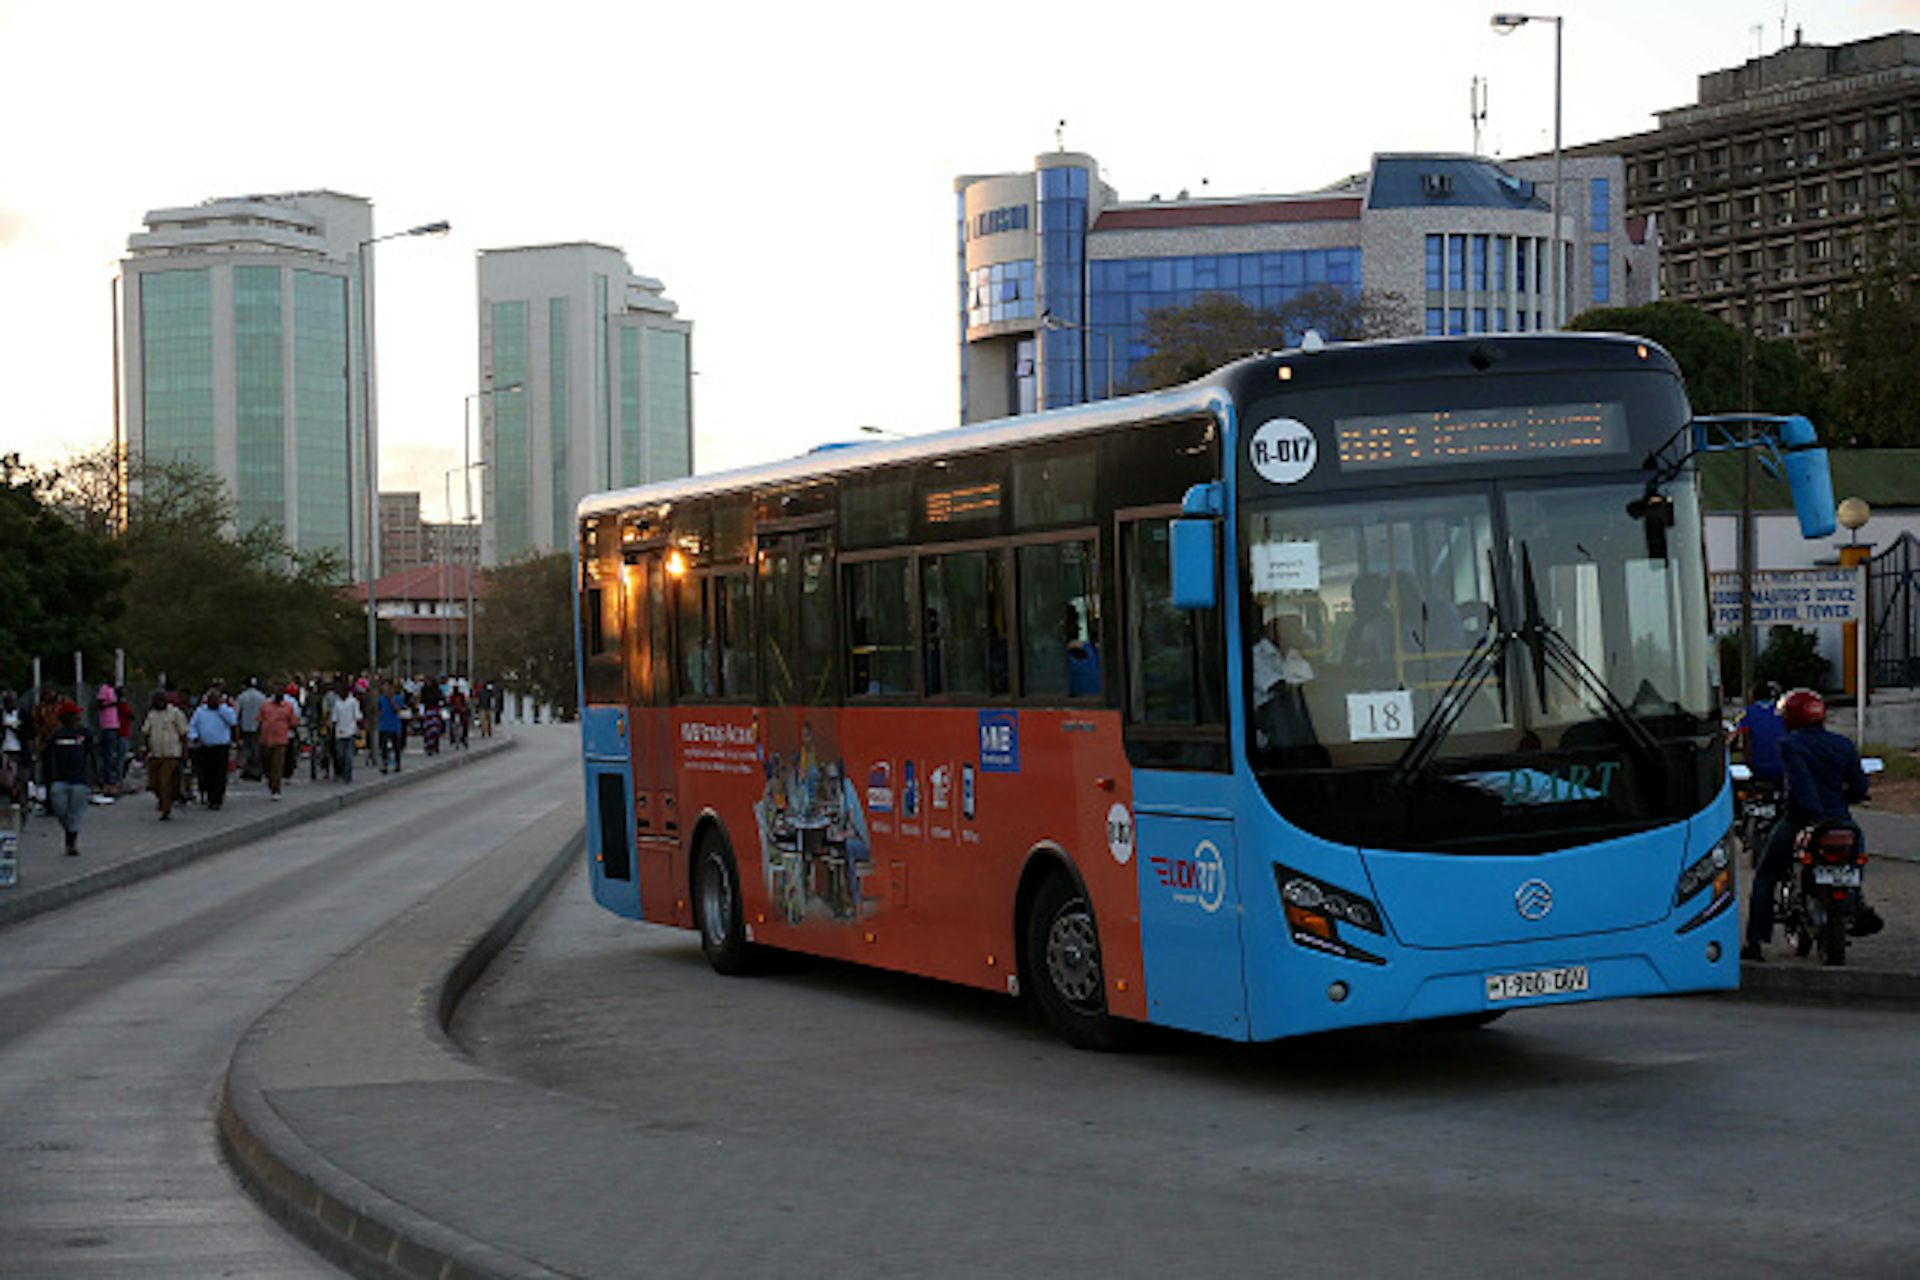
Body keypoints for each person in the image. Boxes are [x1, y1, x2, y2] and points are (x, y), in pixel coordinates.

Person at [1743, 688, 1875, 961]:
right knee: (1855, 859)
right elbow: (1861, 786)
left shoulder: (1790, 744)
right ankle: (1858, 904)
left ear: (1790, 717)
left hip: (1801, 819)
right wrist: (1843, 800)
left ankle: (1755, 942)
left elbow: (1800, 782)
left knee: (1766, 875)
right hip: (1840, 820)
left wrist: (1812, 813)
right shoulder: (1843, 744)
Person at [46, 700, 92, 855]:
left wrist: (96, 779)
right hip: (60, 779)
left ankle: (71, 841)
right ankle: (69, 831)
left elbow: (92, 755)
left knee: (75, 813)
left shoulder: (85, 733)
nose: (75, 718)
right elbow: (47, 756)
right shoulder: (56, 735)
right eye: (71, 715)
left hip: (80, 780)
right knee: (60, 810)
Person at [141, 691, 190, 820]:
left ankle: (166, 809)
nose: (159, 704)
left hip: (171, 753)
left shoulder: (175, 713)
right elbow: (146, 732)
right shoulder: (151, 715)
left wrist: (184, 753)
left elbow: (183, 734)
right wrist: (146, 750)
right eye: (156, 701)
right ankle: (166, 799)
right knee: (153, 783)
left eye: (161, 701)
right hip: (155, 754)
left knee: (164, 781)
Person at [189, 688, 238, 811]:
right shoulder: (200, 712)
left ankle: (217, 799)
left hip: (221, 746)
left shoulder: (225, 710)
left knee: (219, 774)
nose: (213, 702)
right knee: (206, 773)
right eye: (211, 699)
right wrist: (194, 737)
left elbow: (233, 721)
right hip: (205, 747)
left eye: (216, 699)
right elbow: (192, 726)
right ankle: (208, 795)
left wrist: (221, 709)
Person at [1735, 681, 1787, 784]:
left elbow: (1746, 740)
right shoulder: (1783, 712)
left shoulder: (1746, 713)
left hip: (1758, 767)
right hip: (1783, 767)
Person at [257, 686, 301, 800]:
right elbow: (259, 721)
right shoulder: (265, 706)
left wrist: (296, 735)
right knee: (267, 764)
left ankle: (276, 789)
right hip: (266, 739)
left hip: (281, 740)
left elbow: (293, 722)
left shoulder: (288, 707)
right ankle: (271, 782)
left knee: (277, 765)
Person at [94, 682, 123, 798]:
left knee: (112, 754)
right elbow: (99, 705)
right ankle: (107, 780)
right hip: (107, 725)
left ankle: (111, 778)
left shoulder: (113, 690)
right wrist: (112, 704)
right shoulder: (104, 689)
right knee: (108, 755)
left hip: (114, 725)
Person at [235, 677, 267, 781]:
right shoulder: (262, 697)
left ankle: (247, 770)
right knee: (257, 749)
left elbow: (237, 712)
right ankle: (256, 771)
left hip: (245, 726)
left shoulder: (242, 697)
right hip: (258, 726)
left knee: (246, 749)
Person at [330, 679, 363, 782]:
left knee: (348, 755)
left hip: (350, 731)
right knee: (340, 755)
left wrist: (359, 728)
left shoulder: (353, 702)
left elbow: (357, 716)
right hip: (339, 732)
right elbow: (334, 718)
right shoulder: (337, 703)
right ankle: (341, 771)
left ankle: (347, 775)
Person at [376, 682, 407, 774]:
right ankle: (385, 764)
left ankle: (397, 764)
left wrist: (391, 700)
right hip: (383, 726)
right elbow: (378, 710)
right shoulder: (381, 699)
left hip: (394, 726)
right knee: (384, 747)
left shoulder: (397, 698)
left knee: (396, 746)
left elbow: (398, 710)